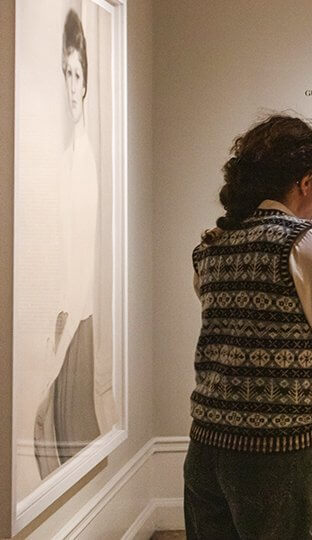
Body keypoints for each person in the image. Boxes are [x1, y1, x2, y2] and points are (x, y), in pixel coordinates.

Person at [184, 114, 312, 539]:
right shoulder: (303, 238)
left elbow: (253, 317)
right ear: (305, 181)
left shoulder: (212, 242)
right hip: (277, 453)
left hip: (207, 446)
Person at [34, 8, 102, 478]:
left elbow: (83, 254)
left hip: (79, 315)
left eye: (76, 73)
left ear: (85, 82)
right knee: (50, 428)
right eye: (64, 71)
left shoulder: (85, 156)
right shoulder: (66, 153)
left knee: (62, 428)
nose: (70, 83)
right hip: (68, 312)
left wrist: (63, 331)